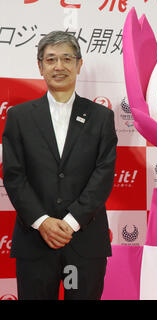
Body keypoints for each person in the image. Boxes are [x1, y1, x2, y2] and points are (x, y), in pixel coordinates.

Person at [2, 31, 117, 300]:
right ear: (40, 66)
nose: (59, 66)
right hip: (35, 241)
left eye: (67, 58)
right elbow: (14, 175)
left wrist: (72, 221)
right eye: (51, 59)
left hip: (85, 241)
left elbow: (104, 173)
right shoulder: (19, 117)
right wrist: (42, 222)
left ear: (79, 64)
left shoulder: (101, 117)